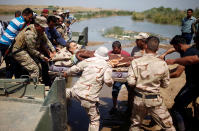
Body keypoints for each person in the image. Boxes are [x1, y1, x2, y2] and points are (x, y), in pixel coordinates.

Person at [127, 36, 175, 131]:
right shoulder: (163, 64)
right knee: (168, 126)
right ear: (157, 48)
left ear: (145, 46)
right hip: (155, 100)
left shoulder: (135, 62)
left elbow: (131, 82)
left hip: (138, 99)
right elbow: (165, 85)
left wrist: (140, 83)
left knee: (135, 125)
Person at [64, 46, 113, 131]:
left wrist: (66, 73)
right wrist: (112, 82)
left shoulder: (88, 60)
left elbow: (75, 69)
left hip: (75, 91)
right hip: (89, 98)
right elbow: (108, 81)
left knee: (62, 93)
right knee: (94, 120)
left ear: (96, 53)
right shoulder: (107, 66)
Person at [165, 35, 199, 131]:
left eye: (175, 48)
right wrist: (164, 54)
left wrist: (162, 76)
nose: (175, 50)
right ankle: (188, 121)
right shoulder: (192, 49)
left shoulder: (188, 54)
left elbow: (177, 73)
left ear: (179, 45)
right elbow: (178, 68)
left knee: (176, 109)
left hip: (194, 85)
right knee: (177, 100)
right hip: (192, 83)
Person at [11, 16, 50, 81]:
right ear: (37, 25)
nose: (44, 29)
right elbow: (32, 50)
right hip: (19, 51)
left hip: (26, 50)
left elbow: (47, 40)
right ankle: (33, 87)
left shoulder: (39, 30)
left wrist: (53, 51)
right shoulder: (30, 34)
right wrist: (43, 57)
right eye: (42, 27)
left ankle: (38, 83)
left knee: (39, 66)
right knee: (34, 69)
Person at [0, 8, 33, 78]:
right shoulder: (21, 23)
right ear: (24, 15)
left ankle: (15, 79)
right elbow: (27, 33)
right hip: (7, 44)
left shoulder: (16, 19)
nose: (30, 20)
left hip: (3, 42)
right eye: (29, 18)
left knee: (12, 63)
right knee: (13, 64)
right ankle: (8, 81)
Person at [108, 41, 131, 115]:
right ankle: (114, 107)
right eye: (114, 50)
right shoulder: (110, 54)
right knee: (114, 91)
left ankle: (130, 107)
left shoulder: (126, 54)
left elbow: (130, 64)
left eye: (117, 51)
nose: (115, 52)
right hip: (116, 76)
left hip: (126, 75)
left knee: (130, 92)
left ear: (120, 48)